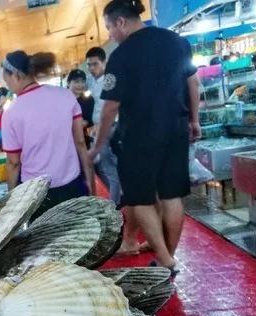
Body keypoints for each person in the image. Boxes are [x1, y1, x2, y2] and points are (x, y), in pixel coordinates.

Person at [92, 0, 201, 272]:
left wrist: (97, 145)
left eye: (109, 28)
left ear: (120, 22)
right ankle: (167, 257)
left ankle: (165, 259)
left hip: (139, 135)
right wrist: (194, 120)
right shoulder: (177, 42)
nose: (110, 35)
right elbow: (193, 82)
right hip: (176, 128)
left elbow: (110, 107)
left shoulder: (121, 56)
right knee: (172, 196)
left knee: (139, 198)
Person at [1, 50, 93, 217]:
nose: (7, 85)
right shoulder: (65, 95)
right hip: (72, 186)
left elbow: (13, 163)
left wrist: (10, 206)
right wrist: (92, 186)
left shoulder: (11, 112)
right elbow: (80, 143)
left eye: (6, 80)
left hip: (37, 194)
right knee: (78, 231)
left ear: (16, 75)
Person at [86, 46, 122, 205]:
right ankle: (118, 200)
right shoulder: (90, 81)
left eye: (95, 64)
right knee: (108, 168)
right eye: (89, 65)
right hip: (99, 129)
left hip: (110, 127)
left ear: (103, 62)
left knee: (111, 169)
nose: (91, 68)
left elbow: (112, 107)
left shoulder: (110, 79)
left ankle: (115, 203)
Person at [67, 69, 95, 144]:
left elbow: (88, 121)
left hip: (83, 139)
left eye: (83, 81)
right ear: (68, 83)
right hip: (66, 140)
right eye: (76, 82)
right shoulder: (62, 98)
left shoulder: (89, 99)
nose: (80, 85)